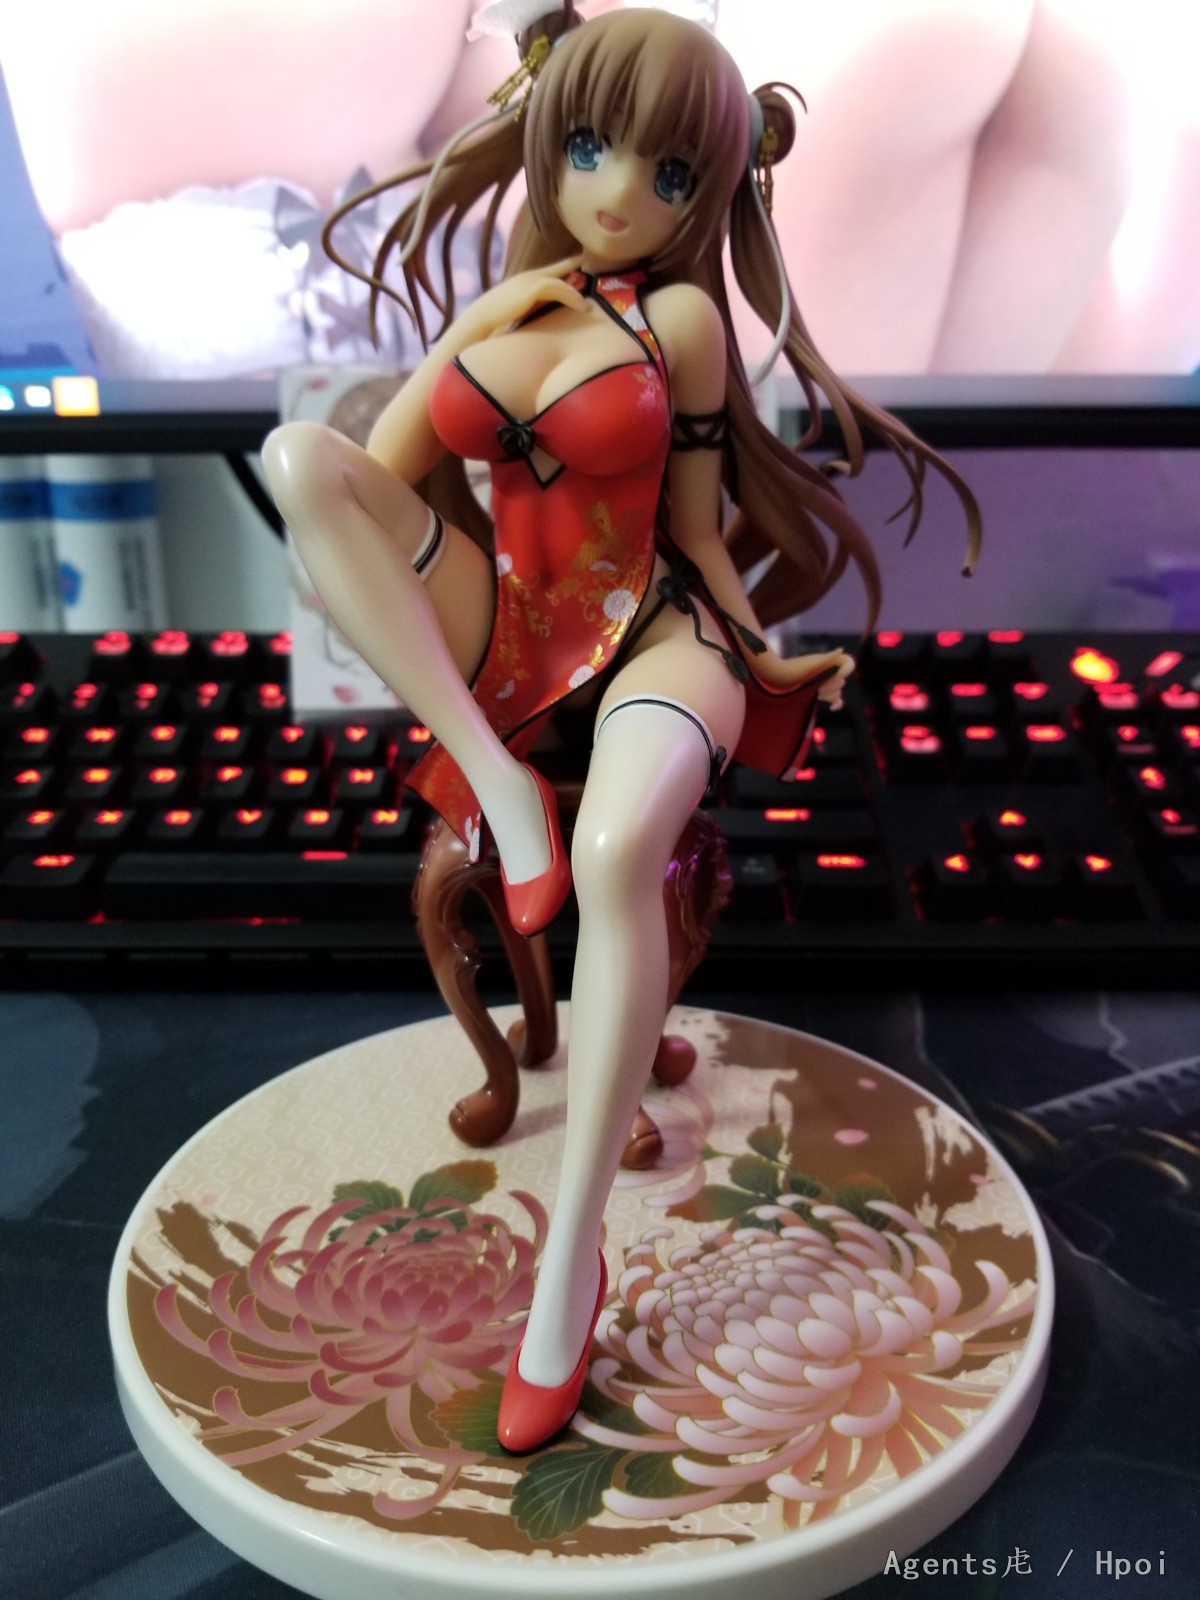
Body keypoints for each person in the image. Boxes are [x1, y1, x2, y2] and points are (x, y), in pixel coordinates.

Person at [262, 2, 979, 1453]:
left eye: (669, 170)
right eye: (589, 146)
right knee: (295, 462)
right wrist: (469, 329)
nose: (617, 192)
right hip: (516, 630)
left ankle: (568, 1262)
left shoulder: (684, 323)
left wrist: (762, 657)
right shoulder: (515, 309)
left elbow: (699, 531)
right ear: (544, 138)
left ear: (709, 189)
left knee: (614, 854)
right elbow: (367, 477)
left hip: (657, 630)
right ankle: (497, 786)